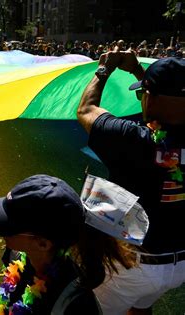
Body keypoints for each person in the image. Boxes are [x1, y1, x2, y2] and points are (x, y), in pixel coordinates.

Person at [77, 50, 185, 314]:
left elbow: (86, 109)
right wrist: (140, 72)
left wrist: (104, 69)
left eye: (141, 94)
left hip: (132, 266)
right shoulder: (144, 139)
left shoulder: (134, 141)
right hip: (179, 265)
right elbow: (164, 105)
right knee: (139, 308)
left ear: (150, 97)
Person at [0, 174, 137, 314]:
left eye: (10, 227)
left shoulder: (76, 305)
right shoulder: (16, 255)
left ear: (43, 244)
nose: (2, 233)